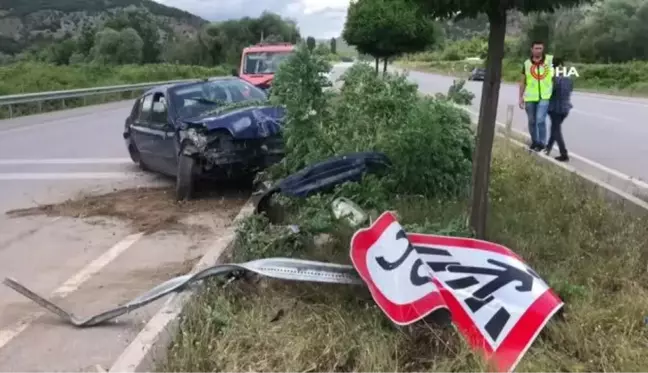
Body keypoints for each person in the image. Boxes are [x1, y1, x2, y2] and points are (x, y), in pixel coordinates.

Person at [519, 41, 554, 152]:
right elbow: (523, 82)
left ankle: (542, 143)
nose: (538, 50)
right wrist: (520, 97)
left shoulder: (549, 60)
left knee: (540, 120)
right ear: (532, 49)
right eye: (536, 48)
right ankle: (535, 141)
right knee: (532, 121)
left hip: (545, 96)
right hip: (530, 97)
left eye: (540, 48)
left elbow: (557, 76)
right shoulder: (526, 64)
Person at [545, 57, 572, 162]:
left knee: (556, 130)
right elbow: (570, 90)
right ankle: (548, 148)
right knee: (554, 129)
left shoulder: (554, 78)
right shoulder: (568, 78)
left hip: (555, 108)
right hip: (565, 108)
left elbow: (549, 92)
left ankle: (563, 153)